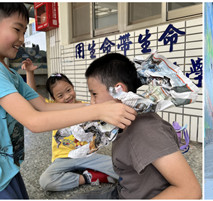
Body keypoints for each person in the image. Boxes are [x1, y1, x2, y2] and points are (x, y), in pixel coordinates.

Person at [0, 3, 135, 199]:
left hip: (5, 167)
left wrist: (97, 106)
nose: (22, 39)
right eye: (17, 29)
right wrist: (99, 111)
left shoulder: (8, 73)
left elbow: (43, 106)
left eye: (24, 32)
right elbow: (34, 120)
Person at [83, 53, 201, 199]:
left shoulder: (146, 130)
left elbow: (190, 190)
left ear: (118, 90)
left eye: (94, 94)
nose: (92, 102)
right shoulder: (124, 121)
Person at [21, 59, 118, 191]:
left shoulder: (85, 105)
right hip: (63, 158)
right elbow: (32, 96)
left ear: (73, 87)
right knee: (46, 181)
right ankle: (89, 177)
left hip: (87, 155)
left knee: (119, 168)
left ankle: (100, 173)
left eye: (68, 90)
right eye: (60, 95)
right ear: (53, 99)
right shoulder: (52, 108)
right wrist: (29, 72)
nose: (67, 97)